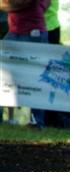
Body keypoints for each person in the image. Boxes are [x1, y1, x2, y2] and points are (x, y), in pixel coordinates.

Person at [2, 0, 49, 129]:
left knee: (36, 77)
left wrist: (6, 4)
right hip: (16, 31)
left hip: (32, 33)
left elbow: (21, 3)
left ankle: (37, 121)